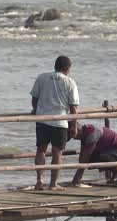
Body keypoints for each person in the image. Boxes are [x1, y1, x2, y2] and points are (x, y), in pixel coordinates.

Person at [30, 55, 80, 190]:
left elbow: (34, 99)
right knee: (57, 152)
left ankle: (39, 180)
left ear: (55, 66)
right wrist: (74, 125)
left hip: (42, 120)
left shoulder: (42, 77)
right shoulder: (70, 82)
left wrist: (36, 110)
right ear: (67, 69)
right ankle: (53, 184)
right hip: (60, 122)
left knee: (41, 150)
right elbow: (73, 107)